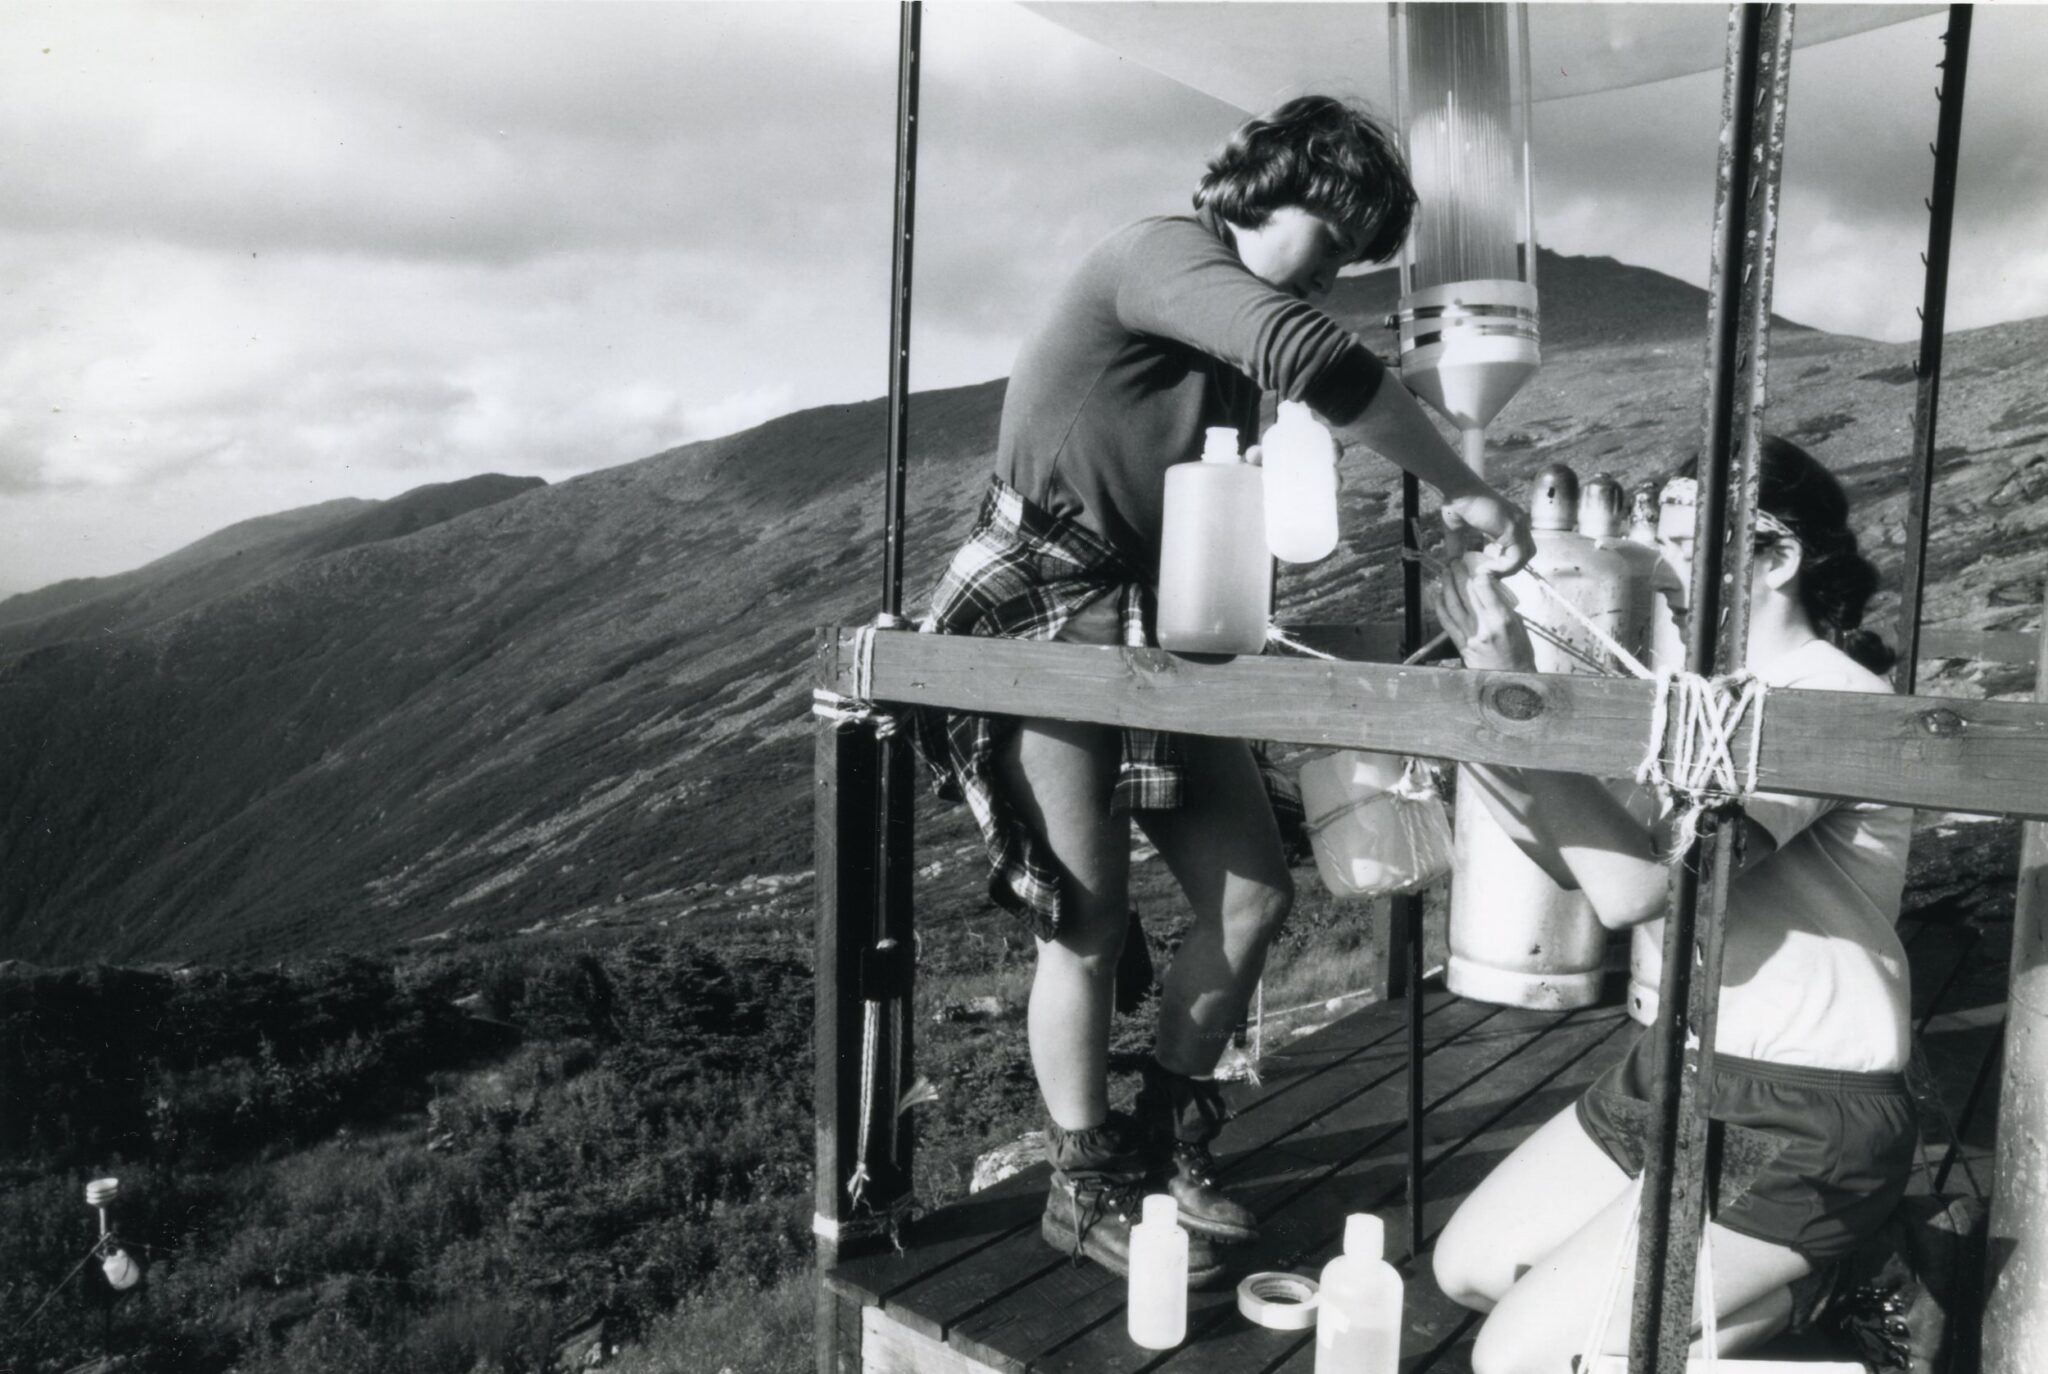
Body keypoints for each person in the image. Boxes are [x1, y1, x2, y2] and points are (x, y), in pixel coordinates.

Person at [913, 95, 1535, 1286]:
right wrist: (1463, 488)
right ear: (1274, 188)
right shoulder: (1160, 258)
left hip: (1154, 626)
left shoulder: (1230, 331)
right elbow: (1316, 361)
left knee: (1251, 893)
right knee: (1085, 923)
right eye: (1338, 238)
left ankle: (1158, 1141)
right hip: (1049, 610)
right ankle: (1083, 1183)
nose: (1339, 273)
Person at [1427, 436, 1932, 1372]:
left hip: (1806, 1112)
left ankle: (1830, 1310)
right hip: (1688, 1064)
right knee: (1470, 1269)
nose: (1660, 570)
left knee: (1522, 1359)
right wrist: (1489, 693)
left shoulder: (1823, 700)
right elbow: (1577, 851)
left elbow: (1635, 891)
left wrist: (1517, 685)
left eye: (1688, 546)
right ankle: (1803, 1289)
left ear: (1776, 560)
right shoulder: (1716, 699)